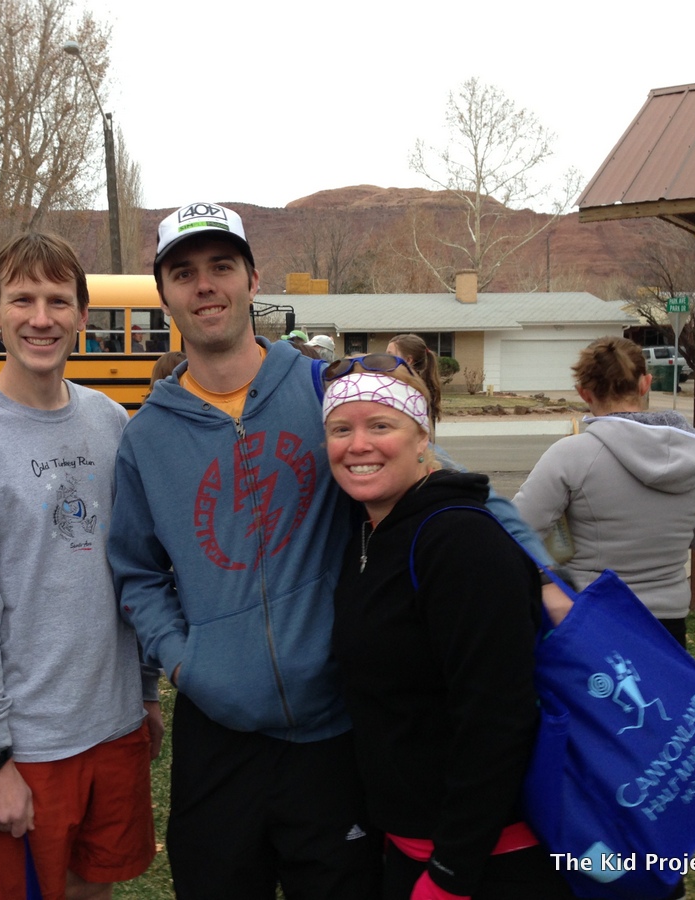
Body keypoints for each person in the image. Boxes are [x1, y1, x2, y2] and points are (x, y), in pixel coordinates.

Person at [108, 202, 555, 899]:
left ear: (253, 280)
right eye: (185, 272)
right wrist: (184, 660)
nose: (205, 286)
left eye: (221, 267)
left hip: (336, 730)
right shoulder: (146, 437)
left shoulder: (323, 390)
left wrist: (543, 571)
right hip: (218, 736)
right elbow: (136, 569)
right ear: (163, 291)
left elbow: (446, 483)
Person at [0, 232, 159, 900]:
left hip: (114, 727)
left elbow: (134, 565)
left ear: (83, 317)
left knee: (96, 889)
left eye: (59, 300)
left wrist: (143, 692)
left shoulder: (110, 420)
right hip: (27, 744)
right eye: (22, 299)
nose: (41, 317)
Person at [323, 357, 576, 900]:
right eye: (341, 429)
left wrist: (453, 872)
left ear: (422, 438)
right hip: (407, 843)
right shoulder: (369, 536)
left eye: (381, 425)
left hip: (490, 859)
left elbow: (497, 718)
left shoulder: (461, 542)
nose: (358, 444)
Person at [514, 335, 695, 648]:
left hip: (593, 615)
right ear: (646, 384)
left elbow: (516, 528)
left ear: (583, 392)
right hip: (667, 624)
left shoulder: (572, 454)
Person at [386, 333, 442, 422]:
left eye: (390, 355)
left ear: (408, 360)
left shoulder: (410, 391)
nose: (385, 359)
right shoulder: (421, 387)